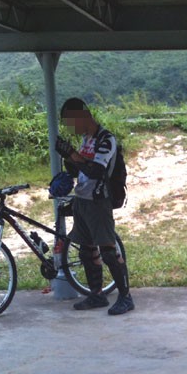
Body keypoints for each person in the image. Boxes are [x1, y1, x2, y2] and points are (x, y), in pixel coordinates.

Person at [54, 97, 134, 315]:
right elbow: (79, 170)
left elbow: (97, 171)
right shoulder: (86, 139)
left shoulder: (106, 139)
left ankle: (126, 297)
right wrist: (68, 158)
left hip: (99, 201)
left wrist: (73, 155)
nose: (71, 127)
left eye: (71, 122)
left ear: (83, 116)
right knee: (86, 251)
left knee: (108, 251)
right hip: (82, 199)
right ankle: (97, 295)